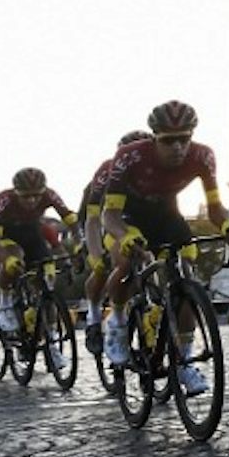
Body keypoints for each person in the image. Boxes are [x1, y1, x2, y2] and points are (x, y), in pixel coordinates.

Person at [99, 102, 229, 396]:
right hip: (127, 216)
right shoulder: (129, 157)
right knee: (125, 261)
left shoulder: (203, 156)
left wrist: (228, 228)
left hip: (167, 215)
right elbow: (109, 216)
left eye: (184, 138)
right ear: (153, 137)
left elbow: (214, 208)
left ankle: (184, 359)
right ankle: (119, 322)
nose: (178, 147)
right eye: (168, 140)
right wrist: (124, 237)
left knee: (187, 275)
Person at [79, 130, 151, 356]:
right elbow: (92, 218)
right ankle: (95, 313)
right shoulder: (108, 170)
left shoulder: (157, 170)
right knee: (112, 263)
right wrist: (94, 253)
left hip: (140, 217)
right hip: (102, 217)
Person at [0, 169, 77, 334]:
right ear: (16, 192)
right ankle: (5, 302)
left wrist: (79, 243)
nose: (32, 200)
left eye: (36, 195)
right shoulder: (4, 200)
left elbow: (70, 219)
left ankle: (49, 332)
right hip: (5, 234)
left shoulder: (50, 195)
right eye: (26, 196)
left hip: (32, 232)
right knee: (15, 257)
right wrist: (6, 260)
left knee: (47, 277)